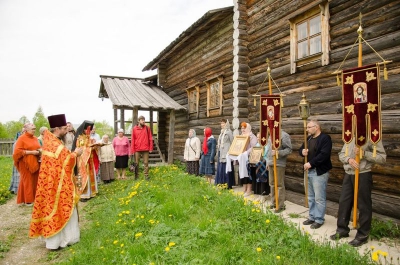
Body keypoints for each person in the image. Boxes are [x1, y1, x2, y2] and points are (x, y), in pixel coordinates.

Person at [29, 114, 83, 250]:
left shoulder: (52, 140)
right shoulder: (55, 143)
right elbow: (66, 161)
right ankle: (63, 239)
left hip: (52, 182)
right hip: (57, 183)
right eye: (65, 128)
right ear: (57, 129)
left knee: (55, 207)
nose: (67, 131)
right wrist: (76, 153)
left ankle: (59, 239)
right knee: (60, 207)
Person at [330, 139, 386, 247]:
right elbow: (341, 154)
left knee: (363, 204)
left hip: (363, 174)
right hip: (348, 174)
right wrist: (349, 159)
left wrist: (364, 154)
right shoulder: (349, 137)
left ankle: (362, 235)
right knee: (344, 202)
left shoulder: (372, 138)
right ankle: (342, 230)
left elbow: (382, 158)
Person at [299, 119, 332, 228]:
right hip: (308, 171)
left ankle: (319, 219)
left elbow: (324, 155)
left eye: (309, 127)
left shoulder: (325, 138)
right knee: (311, 197)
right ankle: (312, 216)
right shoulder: (308, 139)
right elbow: (300, 150)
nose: (307, 129)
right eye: (307, 127)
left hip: (319, 172)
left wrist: (311, 163)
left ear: (316, 127)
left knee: (319, 197)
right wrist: (302, 152)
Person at [12, 123, 41, 206]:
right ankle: (28, 200)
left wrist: (39, 151)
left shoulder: (35, 138)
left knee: (34, 180)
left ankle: (34, 197)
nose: (34, 130)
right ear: (26, 129)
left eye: (35, 129)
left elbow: (38, 147)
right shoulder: (21, 138)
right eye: (32, 129)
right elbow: (17, 152)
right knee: (27, 180)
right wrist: (32, 152)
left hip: (35, 162)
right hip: (25, 163)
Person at [267, 129, 292, 213]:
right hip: (271, 162)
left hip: (279, 163)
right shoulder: (270, 134)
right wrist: (268, 161)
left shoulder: (284, 135)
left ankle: (280, 205)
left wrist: (278, 152)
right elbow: (268, 150)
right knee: (272, 183)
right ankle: (274, 202)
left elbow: (289, 149)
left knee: (279, 184)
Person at [74, 120, 98, 201]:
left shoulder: (89, 137)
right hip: (82, 161)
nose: (89, 131)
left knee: (91, 175)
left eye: (90, 130)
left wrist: (94, 146)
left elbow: (91, 147)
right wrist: (90, 147)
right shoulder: (80, 138)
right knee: (84, 176)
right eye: (87, 129)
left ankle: (91, 193)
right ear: (83, 129)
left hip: (89, 160)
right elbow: (80, 149)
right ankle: (83, 195)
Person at [131, 116, 153, 180]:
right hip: (137, 149)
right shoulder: (134, 129)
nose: (143, 121)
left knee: (146, 163)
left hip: (145, 149)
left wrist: (150, 148)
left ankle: (146, 176)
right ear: (139, 121)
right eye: (142, 120)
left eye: (144, 120)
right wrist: (132, 150)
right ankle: (136, 176)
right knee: (136, 163)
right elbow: (133, 140)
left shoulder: (147, 128)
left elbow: (150, 138)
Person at [215, 119, 234, 188]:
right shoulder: (221, 133)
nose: (222, 125)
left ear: (226, 124)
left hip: (226, 152)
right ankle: (221, 182)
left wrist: (230, 152)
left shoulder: (229, 132)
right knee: (221, 168)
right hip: (221, 151)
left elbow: (232, 142)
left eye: (223, 123)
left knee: (226, 167)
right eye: (221, 123)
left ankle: (227, 184)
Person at [240, 122, 258, 197]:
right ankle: (244, 188)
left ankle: (249, 189)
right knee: (243, 172)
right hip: (242, 158)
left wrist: (246, 152)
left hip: (249, 158)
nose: (243, 130)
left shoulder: (252, 136)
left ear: (248, 128)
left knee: (249, 173)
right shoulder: (240, 136)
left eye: (244, 128)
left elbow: (254, 147)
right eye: (242, 128)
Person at [253, 132, 270, 202]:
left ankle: (264, 195)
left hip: (264, 163)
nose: (258, 138)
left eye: (259, 137)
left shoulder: (267, 145)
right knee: (258, 179)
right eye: (257, 137)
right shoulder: (257, 144)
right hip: (257, 163)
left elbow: (267, 154)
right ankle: (259, 194)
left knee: (263, 180)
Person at [9, 129, 24, 194]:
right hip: (18, 161)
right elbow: (15, 153)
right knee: (17, 176)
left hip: (22, 161)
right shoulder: (17, 142)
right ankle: (16, 189)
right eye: (24, 132)